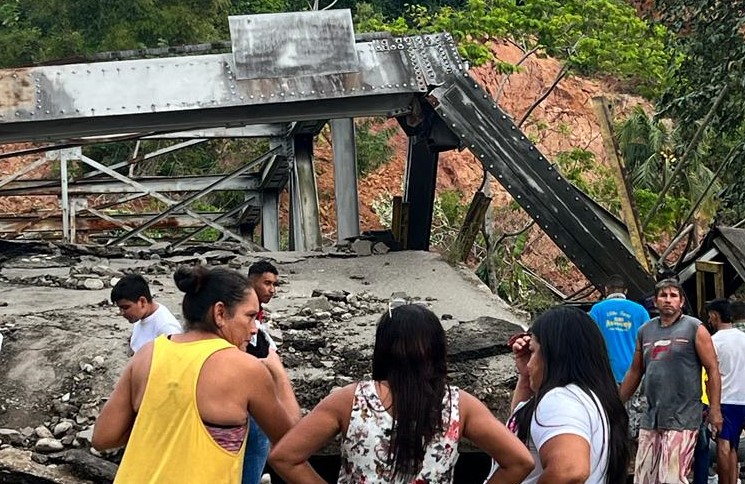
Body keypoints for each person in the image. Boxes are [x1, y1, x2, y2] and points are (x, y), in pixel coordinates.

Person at [269, 304, 535, 483]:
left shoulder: (350, 399)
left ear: (383, 348)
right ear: (437, 349)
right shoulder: (459, 405)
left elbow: (285, 457)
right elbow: (520, 461)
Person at [93, 266, 304, 483]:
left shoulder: (147, 353)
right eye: (250, 316)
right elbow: (293, 443)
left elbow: (103, 438)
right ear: (220, 313)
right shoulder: (245, 368)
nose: (254, 329)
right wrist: (278, 373)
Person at [489, 306, 630, 484]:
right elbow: (521, 430)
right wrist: (525, 377)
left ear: (554, 353)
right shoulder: (587, 399)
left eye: (532, 351)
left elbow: (570, 470)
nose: (530, 362)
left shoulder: (560, 399)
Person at [620, 278, 723, 484]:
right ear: (655, 301)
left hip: (683, 417)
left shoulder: (695, 328)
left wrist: (715, 410)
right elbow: (635, 371)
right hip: (651, 416)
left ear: (681, 302)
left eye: (673, 296)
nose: (668, 300)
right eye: (663, 296)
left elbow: (712, 369)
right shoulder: (645, 331)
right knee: (644, 477)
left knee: (672, 478)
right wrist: (614, 403)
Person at [243, 260, 294, 484]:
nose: (272, 289)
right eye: (267, 283)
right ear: (250, 280)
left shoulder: (256, 316)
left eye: (275, 284)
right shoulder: (242, 312)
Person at [708, 299, 745, 484]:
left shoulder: (713, 342)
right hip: (743, 398)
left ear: (715, 316)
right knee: (733, 446)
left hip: (725, 399)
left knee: (723, 444)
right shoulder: (743, 337)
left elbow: (708, 374)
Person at [589, 274, 651, 384]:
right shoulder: (640, 311)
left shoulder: (597, 310)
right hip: (634, 374)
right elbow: (649, 341)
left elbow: (588, 340)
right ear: (625, 291)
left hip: (606, 373)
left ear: (606, 290)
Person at [110, 274, 183, 353]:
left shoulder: (167, 328)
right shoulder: (141, 316)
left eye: (125, 307)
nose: (121, 313)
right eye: (120, 308)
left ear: (142, 302)